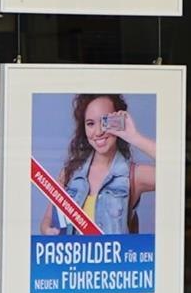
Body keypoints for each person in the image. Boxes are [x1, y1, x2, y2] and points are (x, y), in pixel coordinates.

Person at [44, 93, 158, 238]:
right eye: (90, 124)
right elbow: (47, 220)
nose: (98, 132)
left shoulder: (133, 175)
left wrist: (134, 136)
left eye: (105, 121)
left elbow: (176, 168)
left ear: (119, 122)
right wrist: (47, 230)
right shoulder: (69, 173)